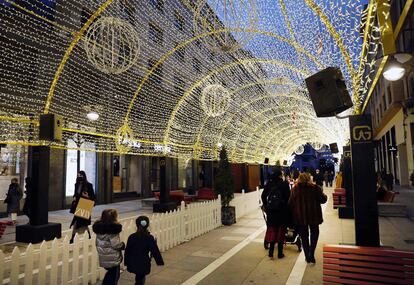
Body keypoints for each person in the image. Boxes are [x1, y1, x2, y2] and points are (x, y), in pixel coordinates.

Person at [289, 172, 327, 264]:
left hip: (300, 217)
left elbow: (290, 203)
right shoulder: (315, 188)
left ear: (299, 179)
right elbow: (323, 200)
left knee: (304, 236)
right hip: (314, 216)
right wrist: (324, 195)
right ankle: (311, 254)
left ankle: (307, 256)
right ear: (309, 178)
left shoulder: (295, 189)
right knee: (314, 233)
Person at [125, 216, 164, 285]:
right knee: (140, 279)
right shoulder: (149, 238)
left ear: (137, 225)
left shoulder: (131, 237)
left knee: (138, 278)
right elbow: (155, 250)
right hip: (144, 262)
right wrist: (159, 261)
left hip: (133, 262)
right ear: (147, 225)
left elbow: (127, 251)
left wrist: (126, 262)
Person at [261, 169, 291, 259]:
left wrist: (266, 206)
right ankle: (280, 253)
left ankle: (271, 252)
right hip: (282, 210)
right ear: (280, 176)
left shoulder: (269, 184)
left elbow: (263, 196)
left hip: (271, 211)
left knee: (272, 230)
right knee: (281, 231)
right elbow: (288, 197)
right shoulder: (285, 184)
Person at [92, 209, 125, 285]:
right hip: (113, 258)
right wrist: (122, 245)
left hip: (104, 257)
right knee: (114, 277)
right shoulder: (113, 230)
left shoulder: (99, 229)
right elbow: (115, 245)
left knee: (110, 275)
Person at [69, 170, 95, 243]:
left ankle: (73, 238)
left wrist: (87, 196)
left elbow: (93, 197)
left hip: (85, 205)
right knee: (78, 222)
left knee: (82, 223)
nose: (79, 177)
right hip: (78, 205)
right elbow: (75, 194)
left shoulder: (89, 185)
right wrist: (74, 197)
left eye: (81, 175)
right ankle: (73, 238)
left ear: (84, 176)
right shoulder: (76, 184)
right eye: (78, 175)